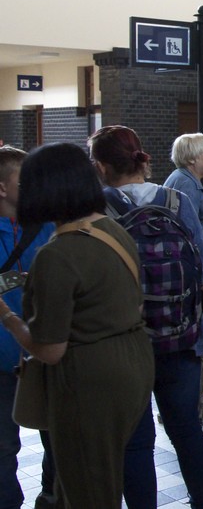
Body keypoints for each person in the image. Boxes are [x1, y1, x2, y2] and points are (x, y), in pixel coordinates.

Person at [0, 143, 154, 508]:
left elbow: (50, 350)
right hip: (132, 364)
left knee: (87, 487)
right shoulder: (110, 228)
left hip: (88, 380)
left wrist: (8, 317)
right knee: (103, 473)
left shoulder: (58, 252)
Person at [89, 125, 203, 509]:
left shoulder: (96, 208)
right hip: (181, 336)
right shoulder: (177, 201)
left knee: (135, 442)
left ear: (101, 166)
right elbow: (201, 269)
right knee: (187, 431)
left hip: (125, 344)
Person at [0, 146, 56, 509]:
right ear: (2, 187)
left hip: (47, 354)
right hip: (2, 362)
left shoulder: (49, 227)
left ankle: (51, 498)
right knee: (4, 446)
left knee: (57, 439)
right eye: (26, 181)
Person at [165, 133, 203, 419]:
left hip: (198, 275)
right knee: (195, 344)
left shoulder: (190, 182)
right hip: (194, 278)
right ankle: (189, 406)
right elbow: (190, 236)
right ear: (192, 158)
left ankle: (197, 398)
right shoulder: (184, 185)